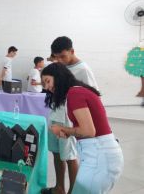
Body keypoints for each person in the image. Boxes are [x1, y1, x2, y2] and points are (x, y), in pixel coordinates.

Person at [41, 63, 123, 194]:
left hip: (99, 155)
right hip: (97, 154)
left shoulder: (75, 93)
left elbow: (89, 131)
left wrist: (65, 129)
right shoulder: (75, 92)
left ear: (58, 76)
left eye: (47, 81)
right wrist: (68, 133)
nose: (47, 87)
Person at [43, 36, 98, 194]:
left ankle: (73, 191)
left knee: (70, 156)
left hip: (69, 120)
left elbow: (93, 96)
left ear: (72, 51)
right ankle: (59, 188)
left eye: (63, 56)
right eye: (56, 57)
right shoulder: (59, 66)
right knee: (56, 153)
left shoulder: (83, 69)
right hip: (55, 114)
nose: (59, 60)